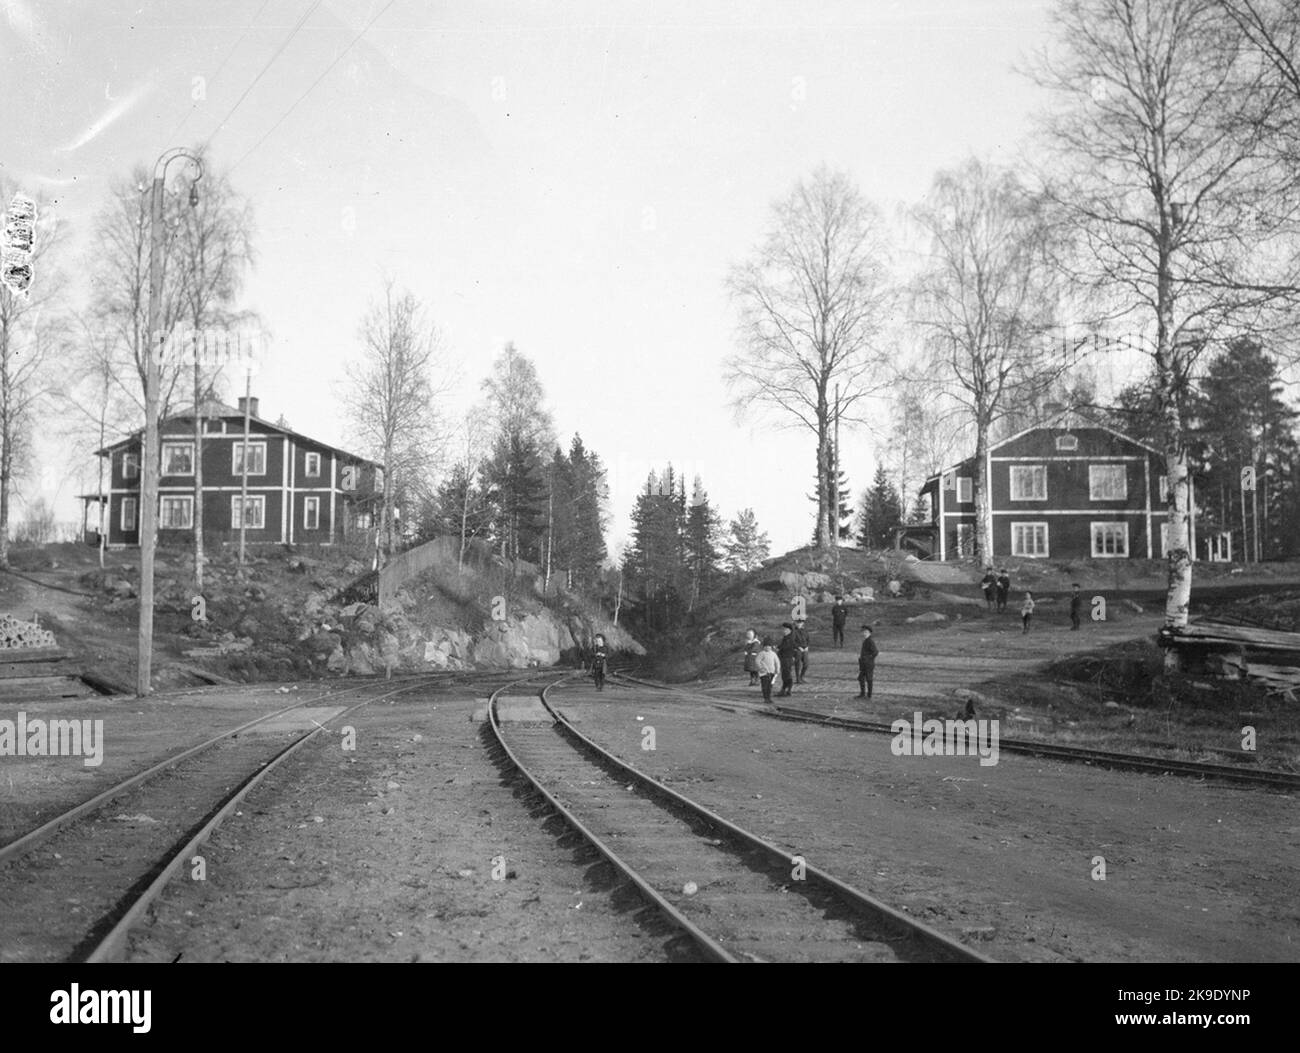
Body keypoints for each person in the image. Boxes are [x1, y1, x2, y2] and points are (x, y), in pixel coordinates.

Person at [856, 624, 879, 700]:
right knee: (861, 678)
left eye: (865, 632)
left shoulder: (870, 641)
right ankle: (863, 694)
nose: (864, 633)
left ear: (869, 633)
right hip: (864, 664)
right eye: (863, 632)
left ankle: (869, 695)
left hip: (868, 664)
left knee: (869, 679)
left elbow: (875, 652)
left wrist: (868, 658)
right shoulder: (866, 641)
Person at [755, 637, 779, 703]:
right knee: (765, 686)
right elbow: (757, 661)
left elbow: (777, 662)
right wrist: (760, 668)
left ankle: (769, 697)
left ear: (771, 646)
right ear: (763, 646)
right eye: (766, 646)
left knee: (770, 686)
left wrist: (778, 669)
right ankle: (766, 698)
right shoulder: (761, 653)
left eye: (769, 646)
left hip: (772, 673)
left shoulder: (773, 654)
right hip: (764, 673)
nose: (767, 647)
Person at [776, 622, 797, 696]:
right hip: (784, 659)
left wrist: (778, 648)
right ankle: (784, 689)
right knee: (784, 675)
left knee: (787, 675)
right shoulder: (786, 638)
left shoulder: (789, 639)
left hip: (787, 659)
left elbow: (785, 647)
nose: (783, 631)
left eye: (785, 629)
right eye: (783, 629)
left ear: (789, 630)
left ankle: (788, 690)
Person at [792, 617, 810, 683]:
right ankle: (797, 679)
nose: (799, 624)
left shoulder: (805, 630)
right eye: (798, 623)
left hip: (805, 649)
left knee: (806, 664)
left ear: (803, 623)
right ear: (795, 623)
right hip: (798, 650)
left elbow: (808, 639)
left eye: (801, 623)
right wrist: (798, 647)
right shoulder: (793, 631)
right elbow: (793, 641)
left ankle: (801, 676)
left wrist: (807, 646)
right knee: (798, 664)